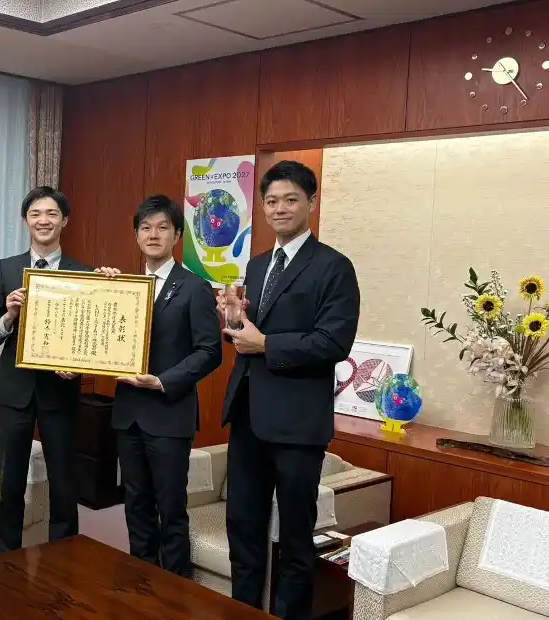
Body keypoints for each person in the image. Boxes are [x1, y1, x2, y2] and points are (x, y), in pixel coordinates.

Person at [218, 161, 360, 618]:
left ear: (311, 203)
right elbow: (249, 335)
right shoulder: (258, 265)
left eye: (291, 199)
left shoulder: (334, 267)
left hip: (298, 424)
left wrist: (265, 343)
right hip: (248, 416)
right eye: (272, 201)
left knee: (296, 538)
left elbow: (333, 342)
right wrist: (234, 322)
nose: (279, 208)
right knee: (242, 527)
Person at [100, 195, 222, 577]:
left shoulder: (195, 288)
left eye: (163, 227)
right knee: (135, 504)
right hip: (129, 415)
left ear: (177, 235)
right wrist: (99, 289)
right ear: (136, 235)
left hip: (169, 415)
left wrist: (163, 381)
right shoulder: (125, 286)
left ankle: (175, 588)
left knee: (170, 508)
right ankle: (142, 580)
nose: (153, 234)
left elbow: (210, 352)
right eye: (145, 227)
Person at [0, 185, 92, 554]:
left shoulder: (83, 272)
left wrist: (77, 367)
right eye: (36, 214)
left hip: (61, 393)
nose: (43, 220)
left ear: (65, 221)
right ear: (26, 220)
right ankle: (6, 559)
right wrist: (9, 315)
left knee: (64, 482)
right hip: (15, 392)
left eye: (52, 214)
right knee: (11, 482)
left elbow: (90, 337)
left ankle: (64, 558)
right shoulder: (7, 268)